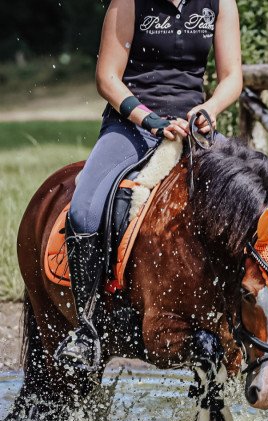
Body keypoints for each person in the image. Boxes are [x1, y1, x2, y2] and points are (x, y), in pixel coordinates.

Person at [54, 0, 243, 370]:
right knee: (85, 212)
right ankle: (86, 327)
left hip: (195, 127)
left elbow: (232, 76)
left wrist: (210, 110)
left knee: (247, 206)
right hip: (132, 125)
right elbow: (107, 77)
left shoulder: (221, 3)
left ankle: (244, 323)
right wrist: (151, 120)